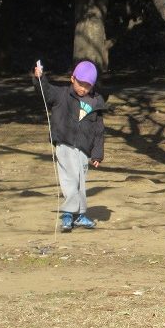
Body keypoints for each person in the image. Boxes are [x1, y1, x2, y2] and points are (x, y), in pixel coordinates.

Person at [32, 60, 106, 232]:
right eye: (81, 84)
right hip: (64, 143)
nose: (83, 89)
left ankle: (79, 214)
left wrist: (97, 153)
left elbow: (99, 129)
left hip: (84, 148)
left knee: (80, 180)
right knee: (69, 178)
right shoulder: (62, 94)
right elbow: (45, 91)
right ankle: (68, 213)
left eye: (88, 86)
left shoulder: (96, 101)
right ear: (73, 79)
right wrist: (39, 78)